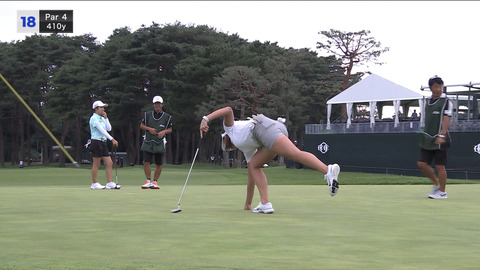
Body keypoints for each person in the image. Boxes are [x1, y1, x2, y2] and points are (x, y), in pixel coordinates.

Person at [199, 106, 340, 214]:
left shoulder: (230, 129)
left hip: (264, 128)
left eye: (227, 144)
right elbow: (251, 178)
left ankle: (327, 170)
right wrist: (247, 204)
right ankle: (265, 203)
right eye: (228, 147)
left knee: (294, 154)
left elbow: (228, 110)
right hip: (271, 130)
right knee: (255, 165)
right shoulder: (247, 149)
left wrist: (206, 119)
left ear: (226, 138)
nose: (230, 146)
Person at [417, 76, 453, 199]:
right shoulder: (427, 101)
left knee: (439, 166)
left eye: (441, 86)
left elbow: (446, 120)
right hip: (427, 138)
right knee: (422, 163)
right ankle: (436, 184)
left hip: (441, 138)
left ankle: (442, 192)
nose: (439, 89)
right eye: (436, 86)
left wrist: (442, 135)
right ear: (431, 88)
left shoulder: (446, 102)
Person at [140, 96, 173, 189]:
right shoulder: (147, 115)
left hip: (159, 142)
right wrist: (149, 129)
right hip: (148, 140)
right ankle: (148, 181)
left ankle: (155, 182)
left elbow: (170, 129)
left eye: (159, 103)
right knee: (146, 161)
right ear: (153, 105)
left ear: (162, 105)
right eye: (155, 104)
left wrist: (163, 132)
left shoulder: (167, 117)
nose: (157, 105)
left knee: (159, 163)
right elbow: (141, 125)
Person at [89, 100, 120, 190]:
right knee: (96, 164)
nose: (103, 109)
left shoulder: (102, 118)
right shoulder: (93, 118)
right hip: (96, 142)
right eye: (101, 107)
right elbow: (101, 130)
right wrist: (112, 139)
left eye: (103, 107)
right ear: (96, 109)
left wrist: (106, 118)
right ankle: (94, 184)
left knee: (109, 163)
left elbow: (109, 128)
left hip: (103, 142)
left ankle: (109, 183)